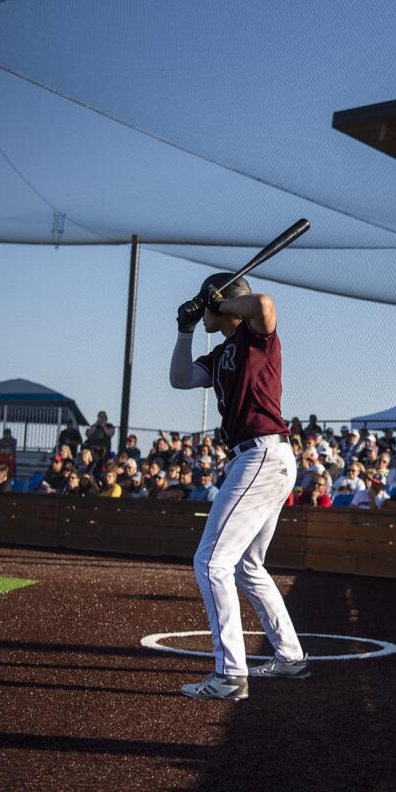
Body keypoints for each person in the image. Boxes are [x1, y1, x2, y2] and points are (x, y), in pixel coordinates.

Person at [170, 271, 308, 700]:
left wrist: (220, 304)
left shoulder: (255, 337)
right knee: (248, 566)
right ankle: (289, 657)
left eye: (207, 302)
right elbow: (179, 379)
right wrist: (186, 329)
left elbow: (264, 305)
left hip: (263, 453)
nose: (204, 307)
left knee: (211, 562)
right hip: (263, 457)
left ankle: (230, 674)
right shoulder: (223, 352)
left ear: (227, 304)